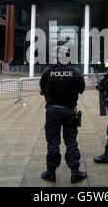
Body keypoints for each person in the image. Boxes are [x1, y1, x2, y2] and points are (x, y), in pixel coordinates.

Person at [39, 46, 88, 184]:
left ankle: (51, 172)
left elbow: (42, 89)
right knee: (71, 141)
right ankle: (75, 172)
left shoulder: (48, 71)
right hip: (69, 111)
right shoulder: (75, 71)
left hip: (52, 111)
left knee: (53, 142)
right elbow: (82, 88)